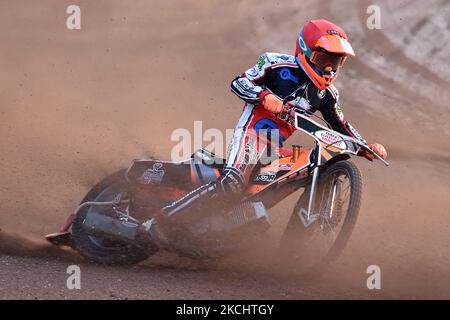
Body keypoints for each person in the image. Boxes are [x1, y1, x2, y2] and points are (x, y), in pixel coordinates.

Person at [144, 19, 387, 235]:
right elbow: (238, 83)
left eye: (336, 62)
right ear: (305, 50)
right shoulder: (275, 64)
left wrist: (366, 146)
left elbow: (341, 125)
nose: (329, 69)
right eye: (324, 59)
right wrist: (263, 97)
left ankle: (234, 229)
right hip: (252, 133)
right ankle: (164, 219)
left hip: (275, 147)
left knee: (306, 167)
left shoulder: (328, 95)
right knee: (232, 183)